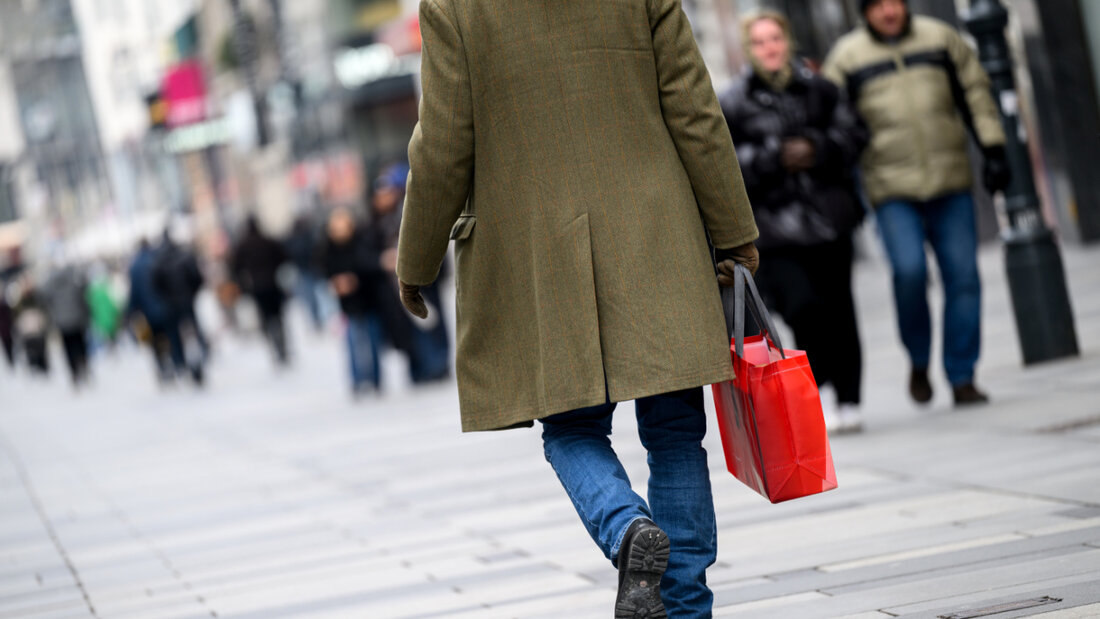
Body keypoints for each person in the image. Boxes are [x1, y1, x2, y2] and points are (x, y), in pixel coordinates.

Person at [394, 0, 760, 615]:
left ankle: (625, 529)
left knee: (570, 428)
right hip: (656, 232)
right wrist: (734, 231)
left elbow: (443, 143)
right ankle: (686, 607)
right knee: (675, 435)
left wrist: (416, 259)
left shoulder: (454, 7)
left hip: (538, 252)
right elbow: (694, 109)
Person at [823, 0, 1010, 406]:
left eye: (895, 2)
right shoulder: (848, 57)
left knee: (962, 277)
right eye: (878, 6)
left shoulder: (940, 38)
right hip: (890, 189)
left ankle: (962, 375)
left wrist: (993, 148)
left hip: (950, 180)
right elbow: (832, 120)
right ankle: (919, 359)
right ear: (864, 12)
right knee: (908, 273)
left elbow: (975, 91)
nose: (889, 12)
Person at [721, 10, 869, 433]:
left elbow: (854, 135)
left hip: (828, 220)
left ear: (787, 42)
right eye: (760, 41)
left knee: (841, 309)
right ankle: (817, 380)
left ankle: (849, 397)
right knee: (802, 306)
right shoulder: (733, 101)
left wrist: (817, 148)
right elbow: (726, 162)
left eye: (776, 38)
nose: (770, 47)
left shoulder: (821, 90)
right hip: (776, 229)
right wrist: (771, 156)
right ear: (750, 50)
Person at [321, 207, 385, 397]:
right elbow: (324, 269)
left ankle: (375, 379)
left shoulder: (361, 242)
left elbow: (370, 264)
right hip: (347, 305)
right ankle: (357, 381)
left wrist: (355, 279)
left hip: (368, 299)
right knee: (351, 343)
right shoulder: (327, 248)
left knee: (373, 341)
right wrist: (336, 282)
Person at [231, 216, 290, 365]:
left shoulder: (243, 245)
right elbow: (283, 258)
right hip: (273, 285)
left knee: (266, 318)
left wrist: (245, 284)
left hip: (257, 287)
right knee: (277, 316)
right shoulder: (267, 241)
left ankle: (274, 347)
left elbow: (236, 268)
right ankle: (282, 346)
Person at [152, 230, 207, 384]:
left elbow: (156, 286)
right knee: (195, 329)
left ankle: (180, 362)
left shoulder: (158, 261)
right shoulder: (184, 255)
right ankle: (203, 352)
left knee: (174, 335)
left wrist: (165, 298)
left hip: (171, 305)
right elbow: (197, 278)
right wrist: (193, 293)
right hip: (187, 301)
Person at [46, 264, 92, 386]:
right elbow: (82, 296)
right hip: (77, 320)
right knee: (80, 345)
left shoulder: (52, 285)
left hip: (62, 323)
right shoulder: (72, 282)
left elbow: (46, 300)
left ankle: (74, 372)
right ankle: (84, 366)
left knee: (68, 348)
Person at [285, 215, 327, 332]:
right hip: (308, 269)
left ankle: (316, 318)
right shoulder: (308, 236)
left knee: (309, 296)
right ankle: (317, 318)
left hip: (305, 270)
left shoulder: (295, 238)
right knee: (313, 296)